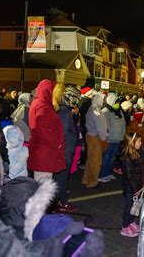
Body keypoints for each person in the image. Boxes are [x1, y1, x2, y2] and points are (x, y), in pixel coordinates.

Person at [28, 79, 66, 181]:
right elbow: (42, 130)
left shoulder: (40, 104)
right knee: (43, 186)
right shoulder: (42, 106)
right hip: (44, 152)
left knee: (42, 184)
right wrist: (56, 143)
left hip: (43, 151)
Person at [54, 84, 81, 213]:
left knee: (63, 180)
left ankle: (61, 202)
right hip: (64, 153)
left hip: (65, 153)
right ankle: (59, 204)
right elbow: (63, 134)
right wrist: (65, 153)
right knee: (61, 180)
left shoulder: (65, 112)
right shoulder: (64, 113)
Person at [120, 132, 144, 237]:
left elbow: (141, 169)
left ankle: (131, 222)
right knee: (129, 206)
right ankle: (125, 226)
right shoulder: (127, 157)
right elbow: (129, 175)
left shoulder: (137, 152)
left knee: (135, 206)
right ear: (132, 143)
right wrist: (135, 189)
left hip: (137, 186)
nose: (141, 143)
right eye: (139, 141)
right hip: (131, 188)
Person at [82, 92, 108, 190]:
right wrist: (104, 139)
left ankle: (86, 179)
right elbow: (101, 128)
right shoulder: (97, 111)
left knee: (90, 159)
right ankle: (92, 183)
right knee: (96, 161)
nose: (103, 101)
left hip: (90, 135)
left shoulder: (91, 108)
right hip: (95, 138)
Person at [99, 93, 126, 183]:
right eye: (115, 102)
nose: (117, 104)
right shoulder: (106, 111)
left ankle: (108, 173)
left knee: (111, 158)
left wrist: (122, 135)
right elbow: (105, 126)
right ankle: (102, 175)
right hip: (109, 139)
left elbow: (123, 124)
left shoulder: (119, 111)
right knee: (106, 158)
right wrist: (108, 136)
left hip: (117, 139)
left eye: (118, 103)